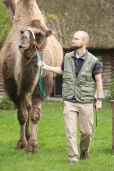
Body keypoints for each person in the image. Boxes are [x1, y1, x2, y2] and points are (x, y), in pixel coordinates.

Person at [38, 31, 102, 163]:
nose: (73, 40)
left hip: (85, 101)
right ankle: (73, 158)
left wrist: (99, 100)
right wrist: (47, 66)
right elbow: (62, 70)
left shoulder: (94, 61)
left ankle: (84, 150)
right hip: (69, 101)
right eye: (73, 38)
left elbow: (98, 81)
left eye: (76, 39)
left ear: (84, 42)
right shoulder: (67, 57)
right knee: (70, 131)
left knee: (87, 132)